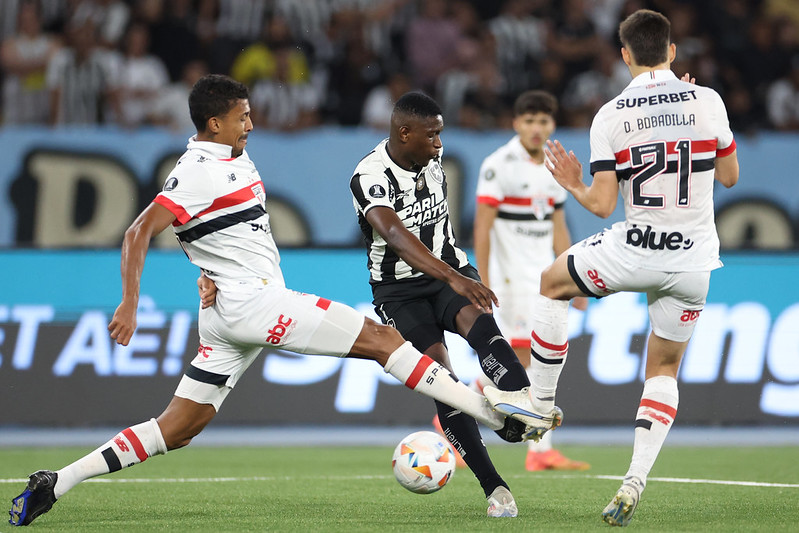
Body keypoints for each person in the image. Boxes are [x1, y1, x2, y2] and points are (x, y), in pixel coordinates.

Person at [8, 75, 528, 527]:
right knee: (383, 340)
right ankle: (492, 413)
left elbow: (207, 232)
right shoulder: (195, 172)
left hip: (224, 316)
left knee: (179, 427)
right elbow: (139, 231)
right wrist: (129, 303)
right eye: (243, 117)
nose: (251, 125)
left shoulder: (233, 156)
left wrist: (203, 268)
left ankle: (59, 480)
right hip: (253, 305)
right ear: (214, 124)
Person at [483, 9, 739, 527]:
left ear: (624, 56)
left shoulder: (612, 114)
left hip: (634, 249)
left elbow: (601, 206)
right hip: (693, 260)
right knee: (663, 370)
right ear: (671, 52)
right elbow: (730, 176)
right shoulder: (708, 101)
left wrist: (574, 183)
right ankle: (634, 480)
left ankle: (541, 403)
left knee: (552, 283)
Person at [348, 91, 560, 518]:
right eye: (433, 135)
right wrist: (455, 278)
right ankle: (495, 487)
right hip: (399, 291)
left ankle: (522, 409)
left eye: (441, 134)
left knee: (485, 331)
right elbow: (395, 237)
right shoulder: (369, 175)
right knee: (441, 381)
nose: (440, 144)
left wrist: (457, 273)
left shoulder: (430, 161)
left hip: (449, 269)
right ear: (404, 133)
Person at [473, 90, 590, 472]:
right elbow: (482, 228)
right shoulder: (499, 164)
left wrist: (574, 276)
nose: (536, 129)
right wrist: (483, 280)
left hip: (544, 280)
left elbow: (558, 226)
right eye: (529, 121)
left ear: (553, 125)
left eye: (543, 121)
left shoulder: (555, 167)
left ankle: (538, 449)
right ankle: (538, 450)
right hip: (510, 281)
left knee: (533, 361)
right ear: (515, 123)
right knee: (529, 361)